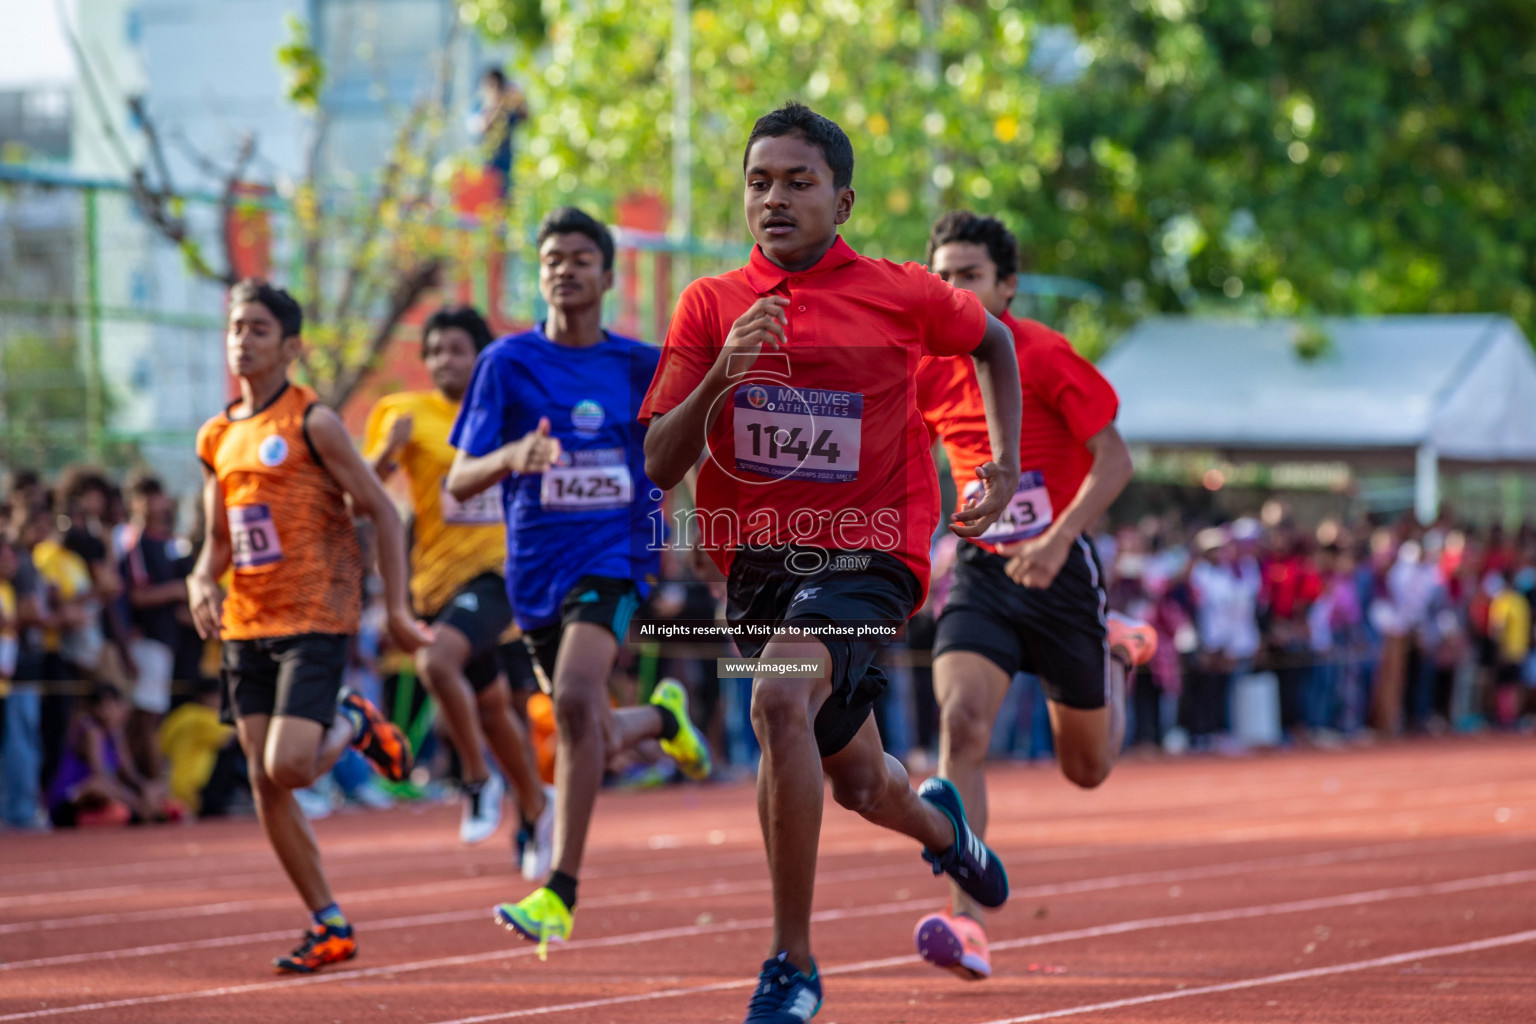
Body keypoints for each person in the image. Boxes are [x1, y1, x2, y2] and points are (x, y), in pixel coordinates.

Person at [640, 103, 1021, 1023]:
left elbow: (994, 344)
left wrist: (1001, 465)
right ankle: (943, 827)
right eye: (759, 182)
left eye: (799, 182)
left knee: (777, 700)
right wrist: (723, 374)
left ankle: (792, 964)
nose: (775, 198)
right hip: (762, 572)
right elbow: (659, 460)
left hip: (870, 557)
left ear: (841, 200)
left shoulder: (900, 292)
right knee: (859, 781)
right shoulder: (710, 306)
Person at [446, 207, 712, 953]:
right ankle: (662, 722)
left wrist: (687, 529)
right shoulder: (505, 364)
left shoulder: (639, 364)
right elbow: (462, 476)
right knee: (584, 721)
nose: (564, 268)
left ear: (606, 274)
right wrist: (511, 460)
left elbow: (679, 447)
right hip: (534, 570)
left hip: (616, 555)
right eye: (552, 258)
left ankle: (559, 889)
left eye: (579, 257)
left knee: (571, 699)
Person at [910, 211, 1155, 980]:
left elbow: (1114, 460)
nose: (953, 289)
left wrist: (1056, 541)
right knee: (960, 722)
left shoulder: (1042, 353)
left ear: (1007, 286)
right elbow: (910, 468)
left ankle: (1118, 656)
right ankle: (967, 919)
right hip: (983, 573)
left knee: (1086, 769)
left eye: (970, 275)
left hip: (1061, 577)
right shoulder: (924, 370)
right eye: (942, 275)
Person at [187, 278, 431, 973]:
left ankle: (353, 719)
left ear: (290, 346)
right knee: (268, 785)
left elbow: (382, 509)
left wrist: (401, 608)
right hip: (246, 622)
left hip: (316, 613)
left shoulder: (313, 422)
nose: (243, 340)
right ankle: (328, 921)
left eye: (259, 329)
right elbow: (217, 539)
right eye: (237, 327)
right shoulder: (218, 434)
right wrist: (201, 577)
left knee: (288, 765)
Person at [364, 304, 553, 865]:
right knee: (491, 710)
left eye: (457, 349)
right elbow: (361, 498)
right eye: (435, 350)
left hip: (504, 575)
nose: (445, 360)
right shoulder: (401, 413)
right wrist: (382, 453)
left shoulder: (511, 411)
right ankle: (536, 812)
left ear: (481, 357)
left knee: (438, 665)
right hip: (438, 584)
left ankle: (476, 782)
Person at [119, 475, 188, 777]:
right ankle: (149, 784)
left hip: (164, 641)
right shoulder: (134, 540)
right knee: (144, 717)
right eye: (147, 496)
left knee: (150, 715)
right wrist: (177, 590)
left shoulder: (167, 542)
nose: (155, 503)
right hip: (145, 641)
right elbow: (137, 595)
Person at [46, 682, 178, 826]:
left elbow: (130, 774)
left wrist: (146, 789)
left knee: (155, 787)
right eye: (103, 706)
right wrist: (133, 800)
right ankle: (141, 812)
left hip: (107, 797)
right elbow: (100, 774)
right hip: (73, 798)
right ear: (93, 709)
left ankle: (138, 812)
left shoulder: (116, 734)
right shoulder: (92, 731)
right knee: (100, 785)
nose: (108, 711)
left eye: (113, 706)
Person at [474, 68, 529, 201]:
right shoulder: (479, 106)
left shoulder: (509, 107)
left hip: (507, 162)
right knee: (485, 201)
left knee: (504, 201)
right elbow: (482, 128)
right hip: (485, 162)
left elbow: (525, 118)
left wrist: (519, 98)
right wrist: (497, 106)